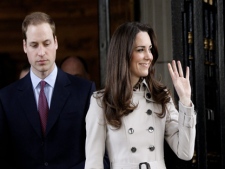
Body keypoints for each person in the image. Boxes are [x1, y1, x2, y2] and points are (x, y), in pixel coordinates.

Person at [85, 22, 196, 169]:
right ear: (123, 54)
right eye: (140, 50)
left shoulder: (161, 96)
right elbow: (94, 163)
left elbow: (185, 152)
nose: (149, 56)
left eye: (150, 49)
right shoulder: (101, 101)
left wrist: (185, 101)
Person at [0, 12, 96, 169]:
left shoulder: (84, 92)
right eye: (34, 45)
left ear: (56, 42)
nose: (41, 52)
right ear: (25, 46)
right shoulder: (6, 98)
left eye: (46, 43)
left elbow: (98, 155)